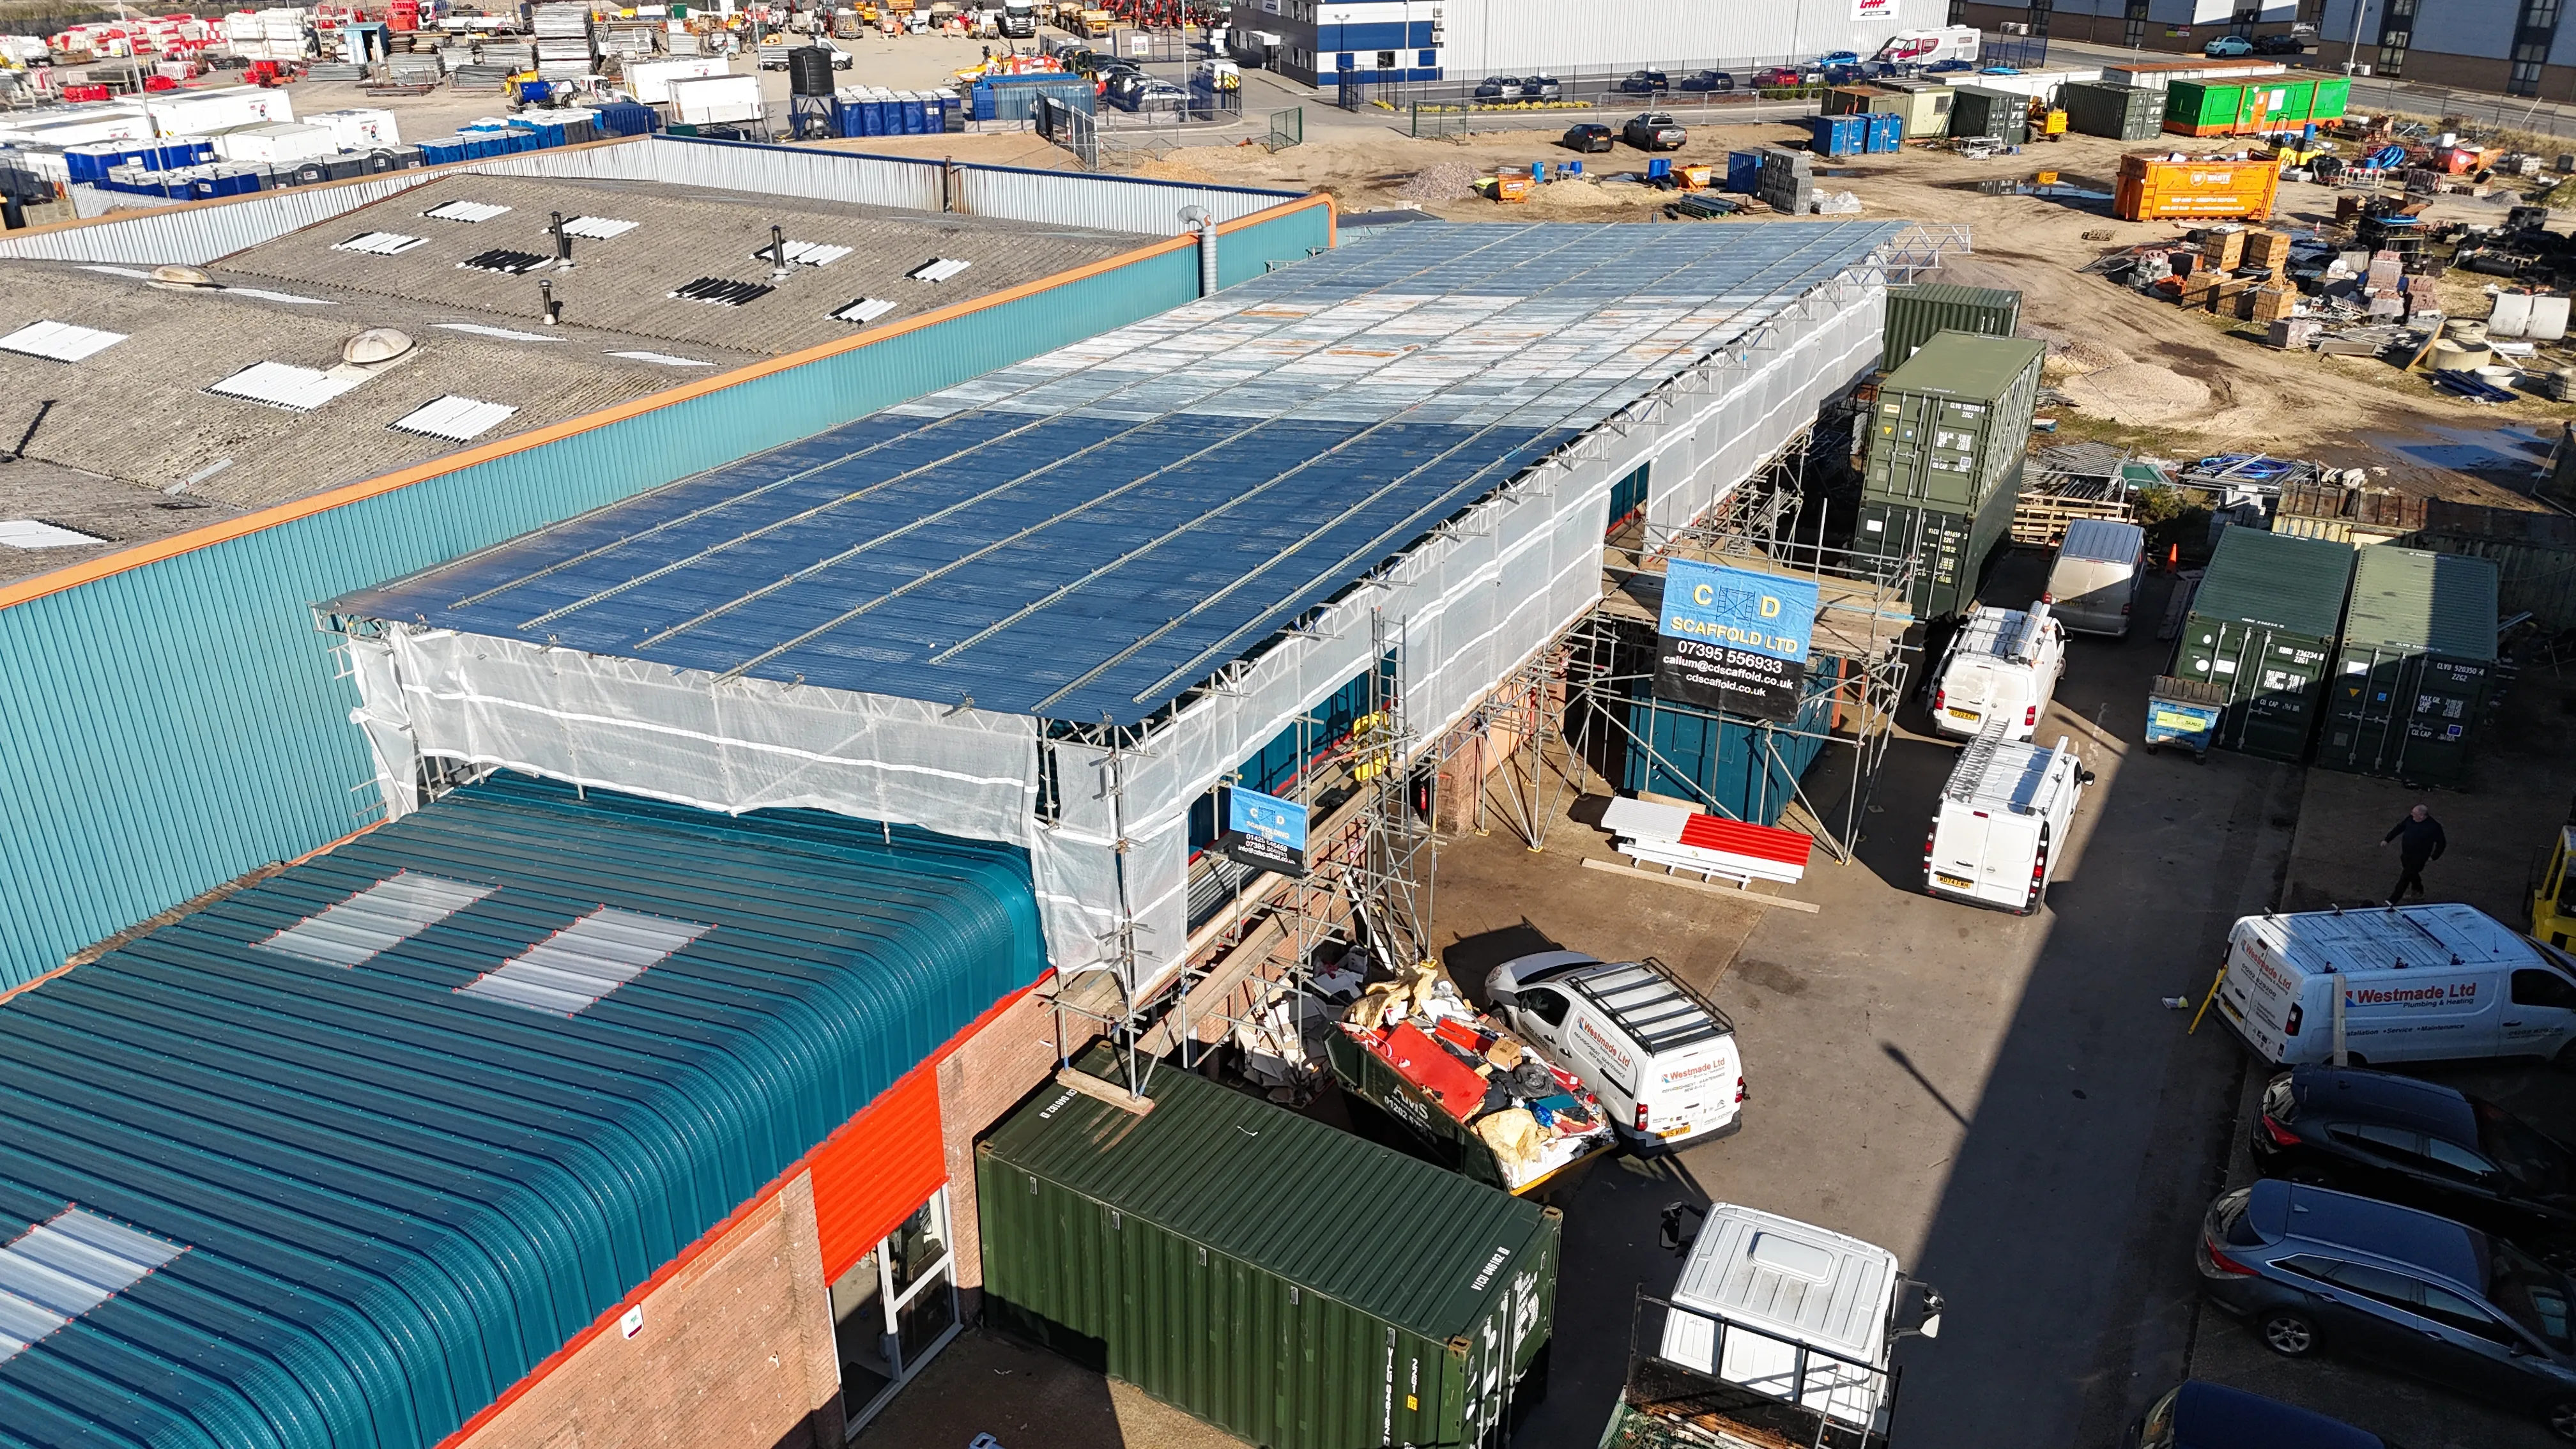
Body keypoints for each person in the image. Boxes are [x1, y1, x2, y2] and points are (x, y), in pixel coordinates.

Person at [2381, 804, 2447, 904]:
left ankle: (2392, 900)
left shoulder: (2433, 827)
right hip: (2407, 854)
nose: (2411, 814)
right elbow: (2400, 828)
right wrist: (2387, 839)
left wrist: (2434, 856)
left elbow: (2441, 843)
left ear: (2422, 816)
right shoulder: (2411, 819)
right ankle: (2418, 890)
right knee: (2411, 873)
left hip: (2419, 857)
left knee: (2405, 877)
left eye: (2414, 813)